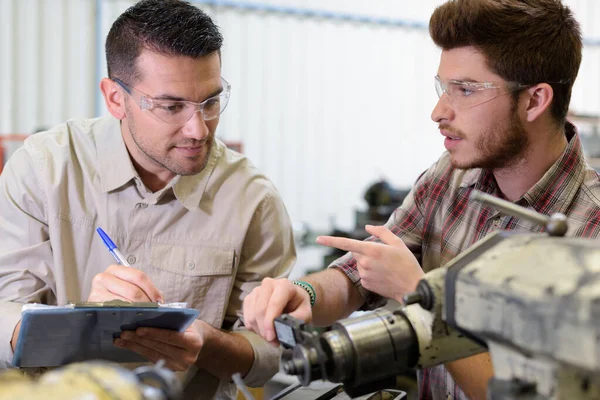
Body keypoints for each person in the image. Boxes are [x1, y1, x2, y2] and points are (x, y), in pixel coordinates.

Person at [242, 0, 600, 399]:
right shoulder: (450, 176)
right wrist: (305, 294)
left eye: (465, 90)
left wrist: (422, 294)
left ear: (534, 100)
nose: (438, 111)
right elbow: (359, 276)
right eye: (443, 88)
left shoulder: (590, 232)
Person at [0, 0, 296, 398]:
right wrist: (83, 323)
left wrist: (207, 343)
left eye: (210, 101)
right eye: (171, 106)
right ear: (115, 98)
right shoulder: (43, 169)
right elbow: (5, 315)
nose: (199, 130)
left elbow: (268, 356)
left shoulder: (252, 200)